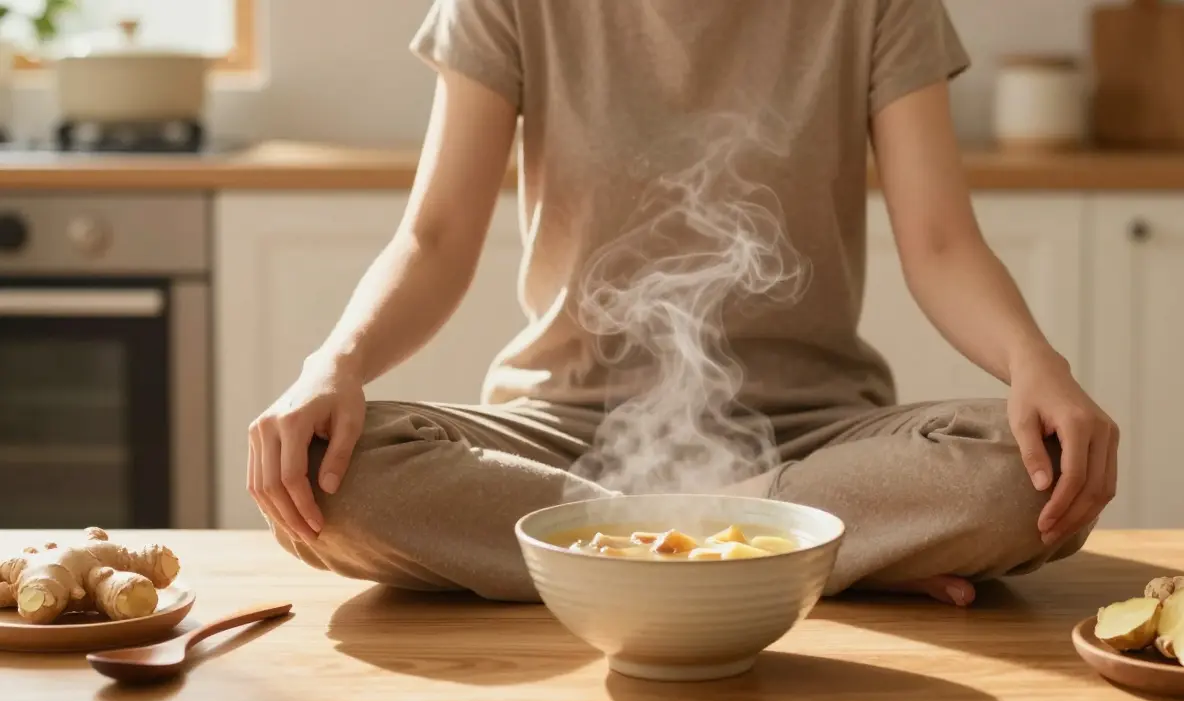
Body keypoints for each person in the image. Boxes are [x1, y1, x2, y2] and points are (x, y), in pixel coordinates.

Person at [246, 0, 1119, 607]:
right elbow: (433, 239)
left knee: (1021, 474)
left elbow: (940, 243)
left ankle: (611, 552)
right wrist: (333, 366)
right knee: (332, 475)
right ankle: (789, 553)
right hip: (563, 437)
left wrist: (1038, 365)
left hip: (811, 437)